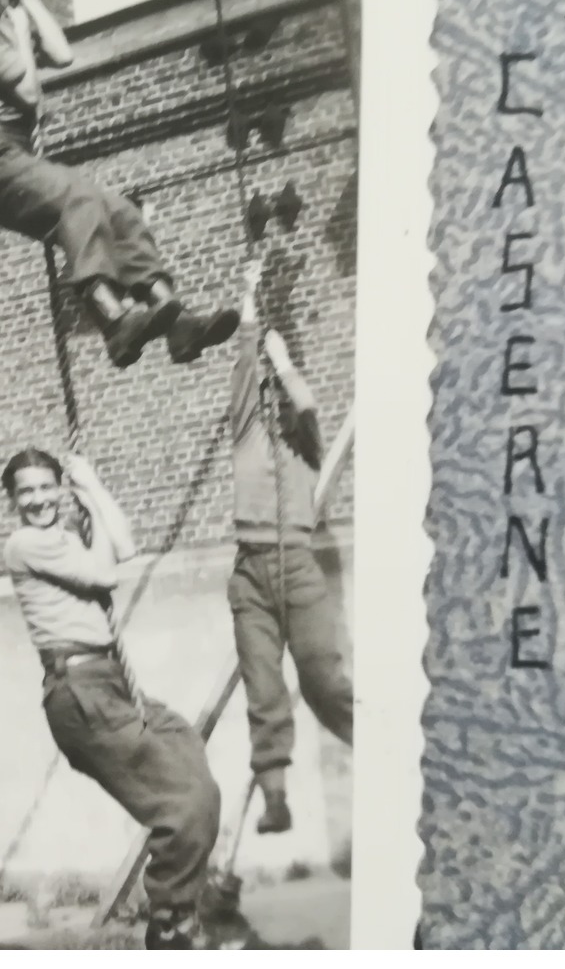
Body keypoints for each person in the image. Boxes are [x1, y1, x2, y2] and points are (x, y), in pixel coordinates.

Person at [0, 0, 240, 370]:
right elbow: (27, 93)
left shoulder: (5, 20)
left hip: (17, 152)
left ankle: (176, 319)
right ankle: (112, 318)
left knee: (120, 210)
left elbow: (63, 54)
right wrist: (22, 32)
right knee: (79, 198)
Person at [0, 448, 248, 949]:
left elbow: (126, 546)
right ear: (12, 501)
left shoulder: (65, 537)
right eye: (26, 491)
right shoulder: (24, 544)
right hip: (80, 691)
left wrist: (90, 484)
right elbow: (108, 575)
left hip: (110, 683)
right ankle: (173, 924)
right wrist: (85, 492)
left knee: (187, 754)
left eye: (47, 486)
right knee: (185, 804)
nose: (38, 498)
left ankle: (175, 916)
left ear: (59, 488)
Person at [225, 263, 353, 834]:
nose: (277, 406)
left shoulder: (308, 454)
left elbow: (305, 402)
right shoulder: (247, 437)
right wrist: (249, 297)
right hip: (250, 574)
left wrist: (284, 360)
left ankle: (387, 750)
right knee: (263, 687)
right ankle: (275, 798)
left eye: (281, 402)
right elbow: (244, 368)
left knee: (323, 679)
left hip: (300, 570)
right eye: (269, 400)